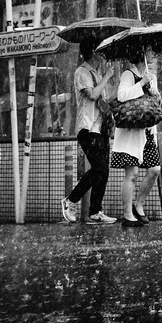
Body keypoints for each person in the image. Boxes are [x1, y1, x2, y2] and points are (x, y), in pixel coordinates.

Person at [61, 38, 117, 224]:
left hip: (101, 128)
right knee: (99, 167)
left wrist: (112, 81)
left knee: (104, 170)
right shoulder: (81, 72)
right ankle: (71, 200)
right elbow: (92, 95)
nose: (103, 56)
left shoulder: (97, 73)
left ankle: (96, 210)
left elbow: (106, 99)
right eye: (100, 52)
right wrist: (107, 78)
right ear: (94, 52)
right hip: (87, 127)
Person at [110, 46, 162, 227]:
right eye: (150, 52)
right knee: (131, 173)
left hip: (147, 132)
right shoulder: (128, 74)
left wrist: (154, 91)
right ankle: (127, 215)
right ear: (142, 55)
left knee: (155, 170)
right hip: (131, 134)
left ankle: (139, 204)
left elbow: (155, 103)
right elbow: (122, 95)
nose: (153, 55)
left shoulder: (151, 76)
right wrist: (141, 84)